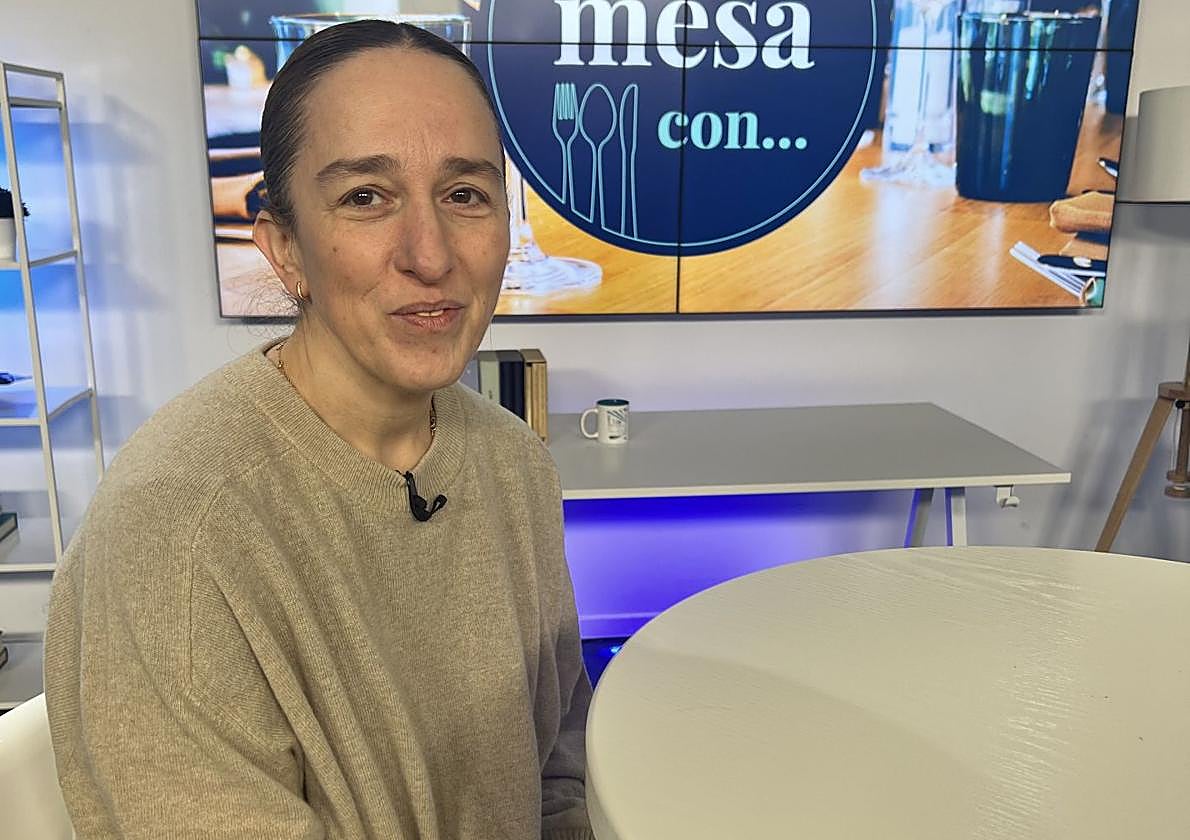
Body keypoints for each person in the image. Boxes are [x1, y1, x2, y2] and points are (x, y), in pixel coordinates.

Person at [44, 20, 595, 840]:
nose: (430, 254)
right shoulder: (176, 532)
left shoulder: (513, 460)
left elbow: (557, 775)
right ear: (285, 248)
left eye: (464, 194)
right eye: (366, 197)